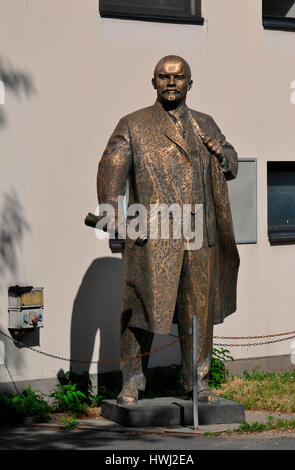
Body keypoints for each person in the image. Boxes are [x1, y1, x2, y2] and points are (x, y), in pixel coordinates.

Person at [97, 55, 239, 404]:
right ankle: (132, 381)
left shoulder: (205, 124)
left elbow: (232, 162)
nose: (171, 82)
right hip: (153, 233)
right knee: (141, 310)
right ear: (154, 82)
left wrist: (223, 154)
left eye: (179, 77)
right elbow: (111, 168)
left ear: (190, 83)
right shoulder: (134, 124)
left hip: (198, 235)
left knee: (198, 312)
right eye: (164, 76)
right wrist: (113, 210)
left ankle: (197, 381)